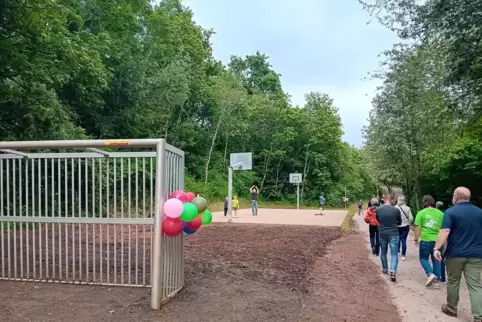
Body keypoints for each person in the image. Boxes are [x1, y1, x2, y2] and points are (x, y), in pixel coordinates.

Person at [434, 187, 482, 321]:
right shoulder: (480, 212)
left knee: (453, 281)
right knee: (475, 285)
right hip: (476, 255)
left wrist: (436, 248)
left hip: (455, 253)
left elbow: (444, 231)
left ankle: (451, 308)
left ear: (456, 197)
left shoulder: (450, 212)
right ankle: (479, 317)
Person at [414, 195, 444, 288]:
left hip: (426, 240)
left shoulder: (421, 213)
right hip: (438, 240)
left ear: (424, 202)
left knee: (423, 258)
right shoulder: (441, 213)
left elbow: (418, 228)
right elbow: (444, 228)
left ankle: (430, 274)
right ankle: (437, 282)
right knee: (437, 259)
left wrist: (416, 238)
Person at [376, 194, 401, 282]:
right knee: (394, 253)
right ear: (392, 200)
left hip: (382, 232)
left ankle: (385, 268)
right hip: (394, 232)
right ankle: (393, 271)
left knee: (383, 251)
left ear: (384, 199)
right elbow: (399, 222)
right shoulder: (396, 210)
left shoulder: (378, 209)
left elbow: (378, 219)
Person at [396, 195, 413, 261]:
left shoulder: (395, 208)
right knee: (404, 240)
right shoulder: (407, 208)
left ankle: (397, 252)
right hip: (405, 226)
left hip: (397, 226)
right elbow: (411, 218)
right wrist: (409, 223)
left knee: (397, 239)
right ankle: (403, 255)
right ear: (404, 200)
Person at [436, 201, 447, 283]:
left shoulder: (436, 214)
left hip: (437, 237)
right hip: (443, 238)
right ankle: (443, 277)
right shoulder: (446, 214)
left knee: (437, 257)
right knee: (442, 258)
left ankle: (438, 277)